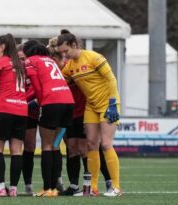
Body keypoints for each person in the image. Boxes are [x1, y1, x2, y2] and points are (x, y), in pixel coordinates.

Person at [58, 31, 122, 197]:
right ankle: (93, 188)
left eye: (66, 51)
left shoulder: (94, 57)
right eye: (61, 53)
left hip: (108, 104)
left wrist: (113, 104)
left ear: (74, 45)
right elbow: (59, 82)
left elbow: (111, 79)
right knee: (91, 145)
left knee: (106, 144)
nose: (64, 55)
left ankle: (116, 187)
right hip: (91, 107)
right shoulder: (70, 66)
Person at [23, 40, 74, 197]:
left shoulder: (31, 61)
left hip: (52, 102)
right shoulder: (50, 60)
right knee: (56, 145)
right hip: (68, 102)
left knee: (46, 145)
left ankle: (47, 188)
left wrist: (41, 101)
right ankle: (55, 188)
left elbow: (37, 85)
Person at [0, 34, 28, 197]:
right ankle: (13, 189)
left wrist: (3, 96)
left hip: (4, 109)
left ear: (2, 47)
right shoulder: (19, 64)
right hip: (21, 111)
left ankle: (0, 188)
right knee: (16, 151)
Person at [18, 44, 38, 195]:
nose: (22, 62)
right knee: (15, 150)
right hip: (14, 113)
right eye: (18, 59)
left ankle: (28, 185)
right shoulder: (11, 72)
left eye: (23, 58)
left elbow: (37, 92)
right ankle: (10, 185)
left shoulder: (33, 71)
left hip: (30, 114)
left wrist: (26, 103)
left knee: (29, 148)